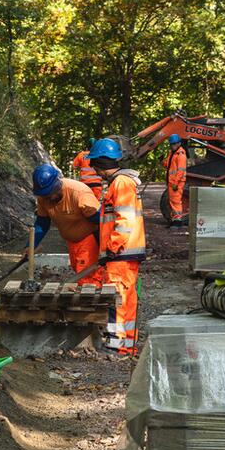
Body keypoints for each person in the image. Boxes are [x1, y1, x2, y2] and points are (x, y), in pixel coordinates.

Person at [86, 138, 146, 354]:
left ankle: (116, 344)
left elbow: (125, 220)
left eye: (94, 165)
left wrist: (111, 248)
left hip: (120, 253)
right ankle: (124, 345)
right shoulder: (121, 182)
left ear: (101, 163)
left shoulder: (121, 183)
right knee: (125, 299)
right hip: (123, 253)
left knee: (117, 299)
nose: (94, 170)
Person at [31, 164, 105, 287]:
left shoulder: (79, 193)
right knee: (80, 271)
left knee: (88, 277)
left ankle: (91, 303)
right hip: (71, 241)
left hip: (88, 239)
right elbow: (42, 222)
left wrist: (106, 246)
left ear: (57, 184)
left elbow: (100, 220)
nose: (49, 198)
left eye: (50, 193)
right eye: (45, 195)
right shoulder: (43, 198)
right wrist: (31, 246)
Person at [163, 134, 187, 228]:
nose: (172, 146)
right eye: (171, 144)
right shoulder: (172, 153)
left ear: (178, 143)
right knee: (172, 202)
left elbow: (181, 171)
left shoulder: (181, 155)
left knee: (176, 202)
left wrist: (175, 183)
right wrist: (162, 162)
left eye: (174, 144)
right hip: (171, 182)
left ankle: (177, 222)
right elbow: (168, 166)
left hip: (176, 183)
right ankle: (174, 220)